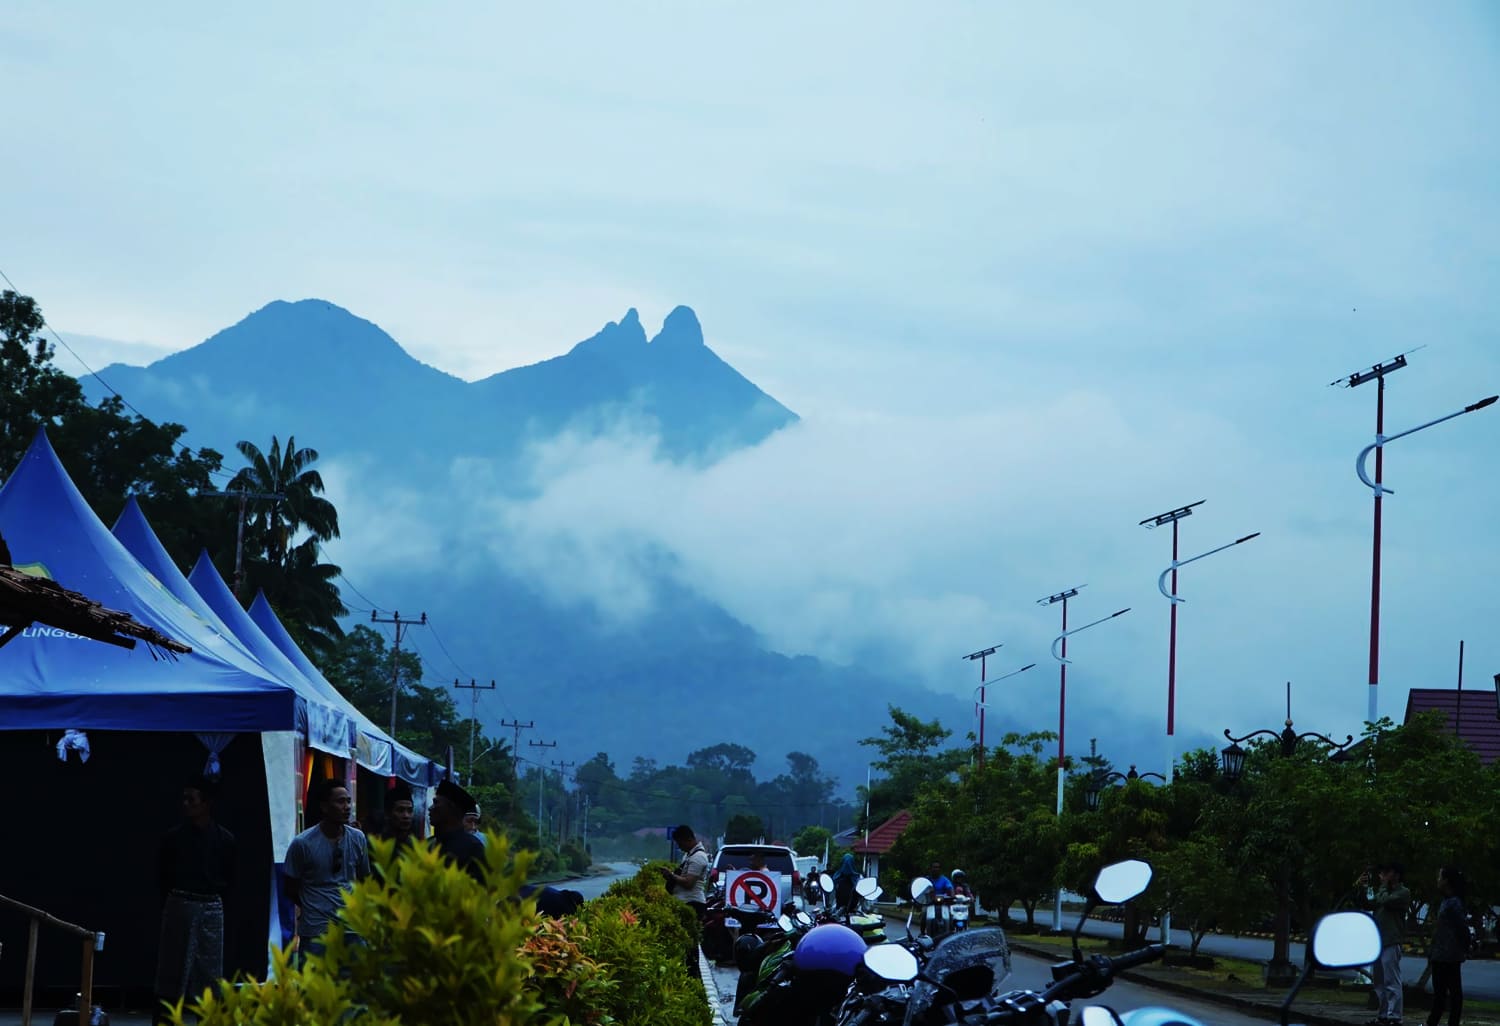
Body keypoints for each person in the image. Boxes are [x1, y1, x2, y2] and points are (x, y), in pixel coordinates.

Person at [154, 776, 237, 1020]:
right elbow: (163, 876)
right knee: (171, 973)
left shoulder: (225, 839)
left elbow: (229, 878)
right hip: (179, 903)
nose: (186, 804)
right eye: (184, 799)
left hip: (211, 906)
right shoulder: (173, 839)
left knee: (209, 976)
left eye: (191, 800)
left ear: (206, 803)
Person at [285, 777, 370, 962]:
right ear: (324, 807)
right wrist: (313, 904)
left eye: (348, 801)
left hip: (351, 928)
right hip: (317, 930)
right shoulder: (303, 843)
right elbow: (290, 887)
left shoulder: (358, 838)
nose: (347, 807)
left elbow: (364, 880)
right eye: (340, 801)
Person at [1360, 861, 1412, 1026]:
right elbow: (1368, 904)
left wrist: (1382, 886)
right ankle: (1383, 1015)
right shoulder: (1383, 892)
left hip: (1391, 941)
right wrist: (1363, 888)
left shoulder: (1403, 892)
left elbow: (1386, 901)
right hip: (1378, 942)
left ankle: (1394, 1016)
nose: (1382, 875)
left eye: (1386, 872)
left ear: (1396, 874)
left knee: (1391, 980)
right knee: (1379, 982)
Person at [1426, 866, 1469, 1026]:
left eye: (1440, 877)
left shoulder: (1454, 903)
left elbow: (1462, 928)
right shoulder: (1447, 902)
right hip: (1440, 954)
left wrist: (1465, 947)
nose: (1437, 880)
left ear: (1446, 881)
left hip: (1449, 956)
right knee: (1441, 995)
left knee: (1451, 995)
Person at [429, 779, 487, 878]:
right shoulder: (428, 844)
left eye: (436, 803)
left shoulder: (473, 849)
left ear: (451, 809)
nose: (430, 808)